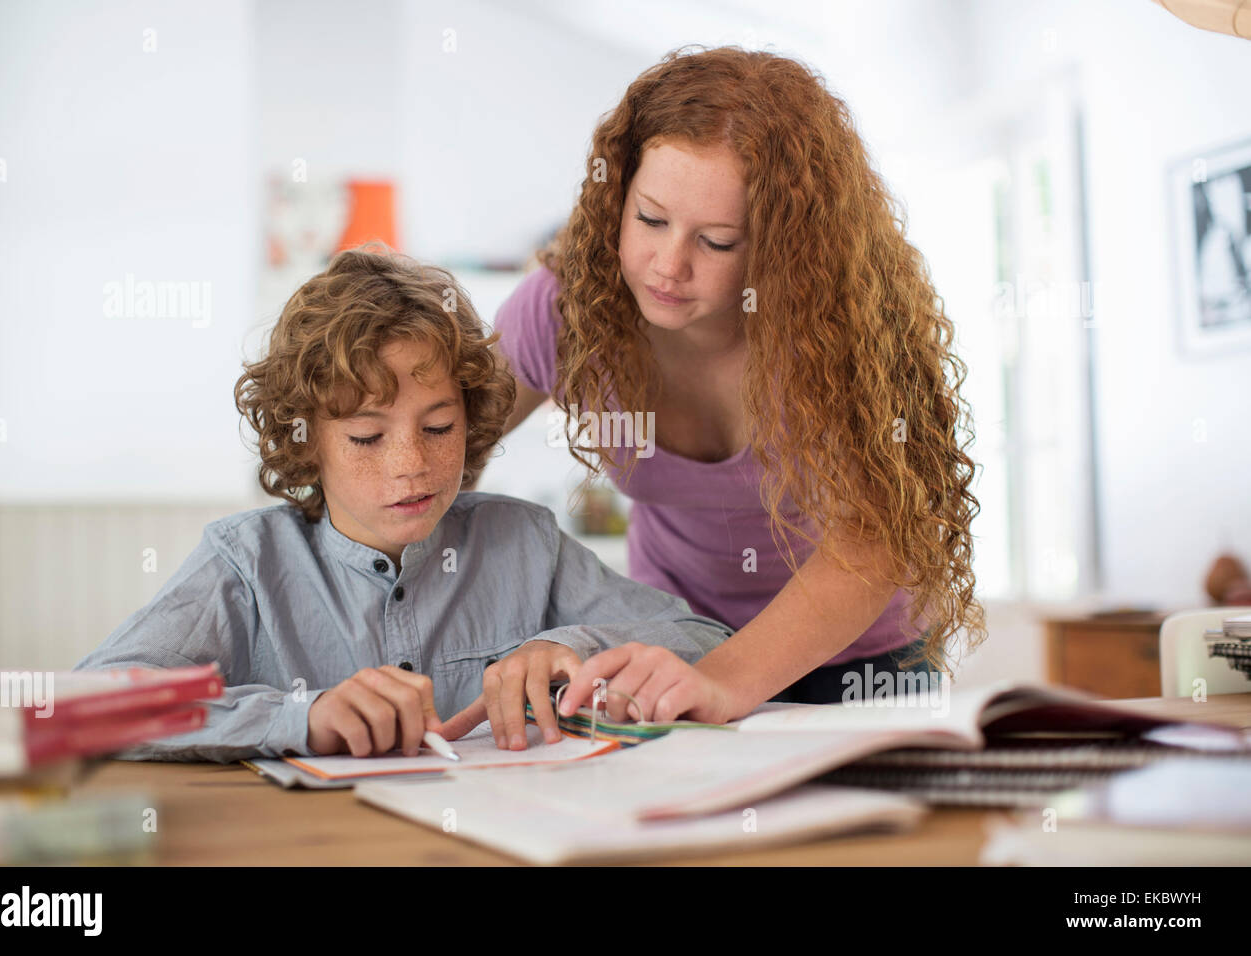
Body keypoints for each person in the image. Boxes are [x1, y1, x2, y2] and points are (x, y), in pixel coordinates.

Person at [73, 247, 733, 762]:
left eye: (439, 427)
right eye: (366, 436)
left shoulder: (526, 543)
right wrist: (299, 718)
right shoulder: (247, 562)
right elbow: (86, 704)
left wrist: (575, 642)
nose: (410, 464)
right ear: (306, 442)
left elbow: (710, 645)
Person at [489, 46, 986, 725]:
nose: (668, 265)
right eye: (651, 219)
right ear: (616, 198)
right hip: (674, 639)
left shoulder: (845, 335)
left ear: (784, 246)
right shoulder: (561, 310)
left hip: (864, 663)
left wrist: (726, 682)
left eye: (718, 242)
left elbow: (870, 543)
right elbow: (436, 439)